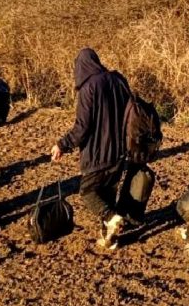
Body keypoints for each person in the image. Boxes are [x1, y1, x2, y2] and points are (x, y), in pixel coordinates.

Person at [51, 48, 131, 250]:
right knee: (108, 195)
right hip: (120, 151)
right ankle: (109, 239)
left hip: (97, 153)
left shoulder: (89, 88)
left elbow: (82, 128)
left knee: (88, 193)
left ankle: (111, 218)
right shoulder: (118, 80)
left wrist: (62, 144)